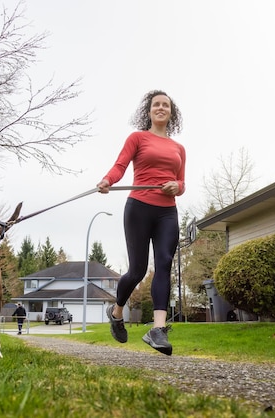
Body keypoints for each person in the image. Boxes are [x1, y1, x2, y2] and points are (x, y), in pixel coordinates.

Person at [97, 90, 186, 356]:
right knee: (136, 270)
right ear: (148, 111)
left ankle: (157, 329)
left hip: (167, 212)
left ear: (171, 112)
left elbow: (182, 182)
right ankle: (117, 311)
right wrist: (107, 181)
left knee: (164, 264)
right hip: (139, 208)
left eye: (166, 105)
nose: (161, 108)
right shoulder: (138, 138)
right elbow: (120, 165)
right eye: (156, 104)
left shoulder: (178, 148)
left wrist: (176, 186)